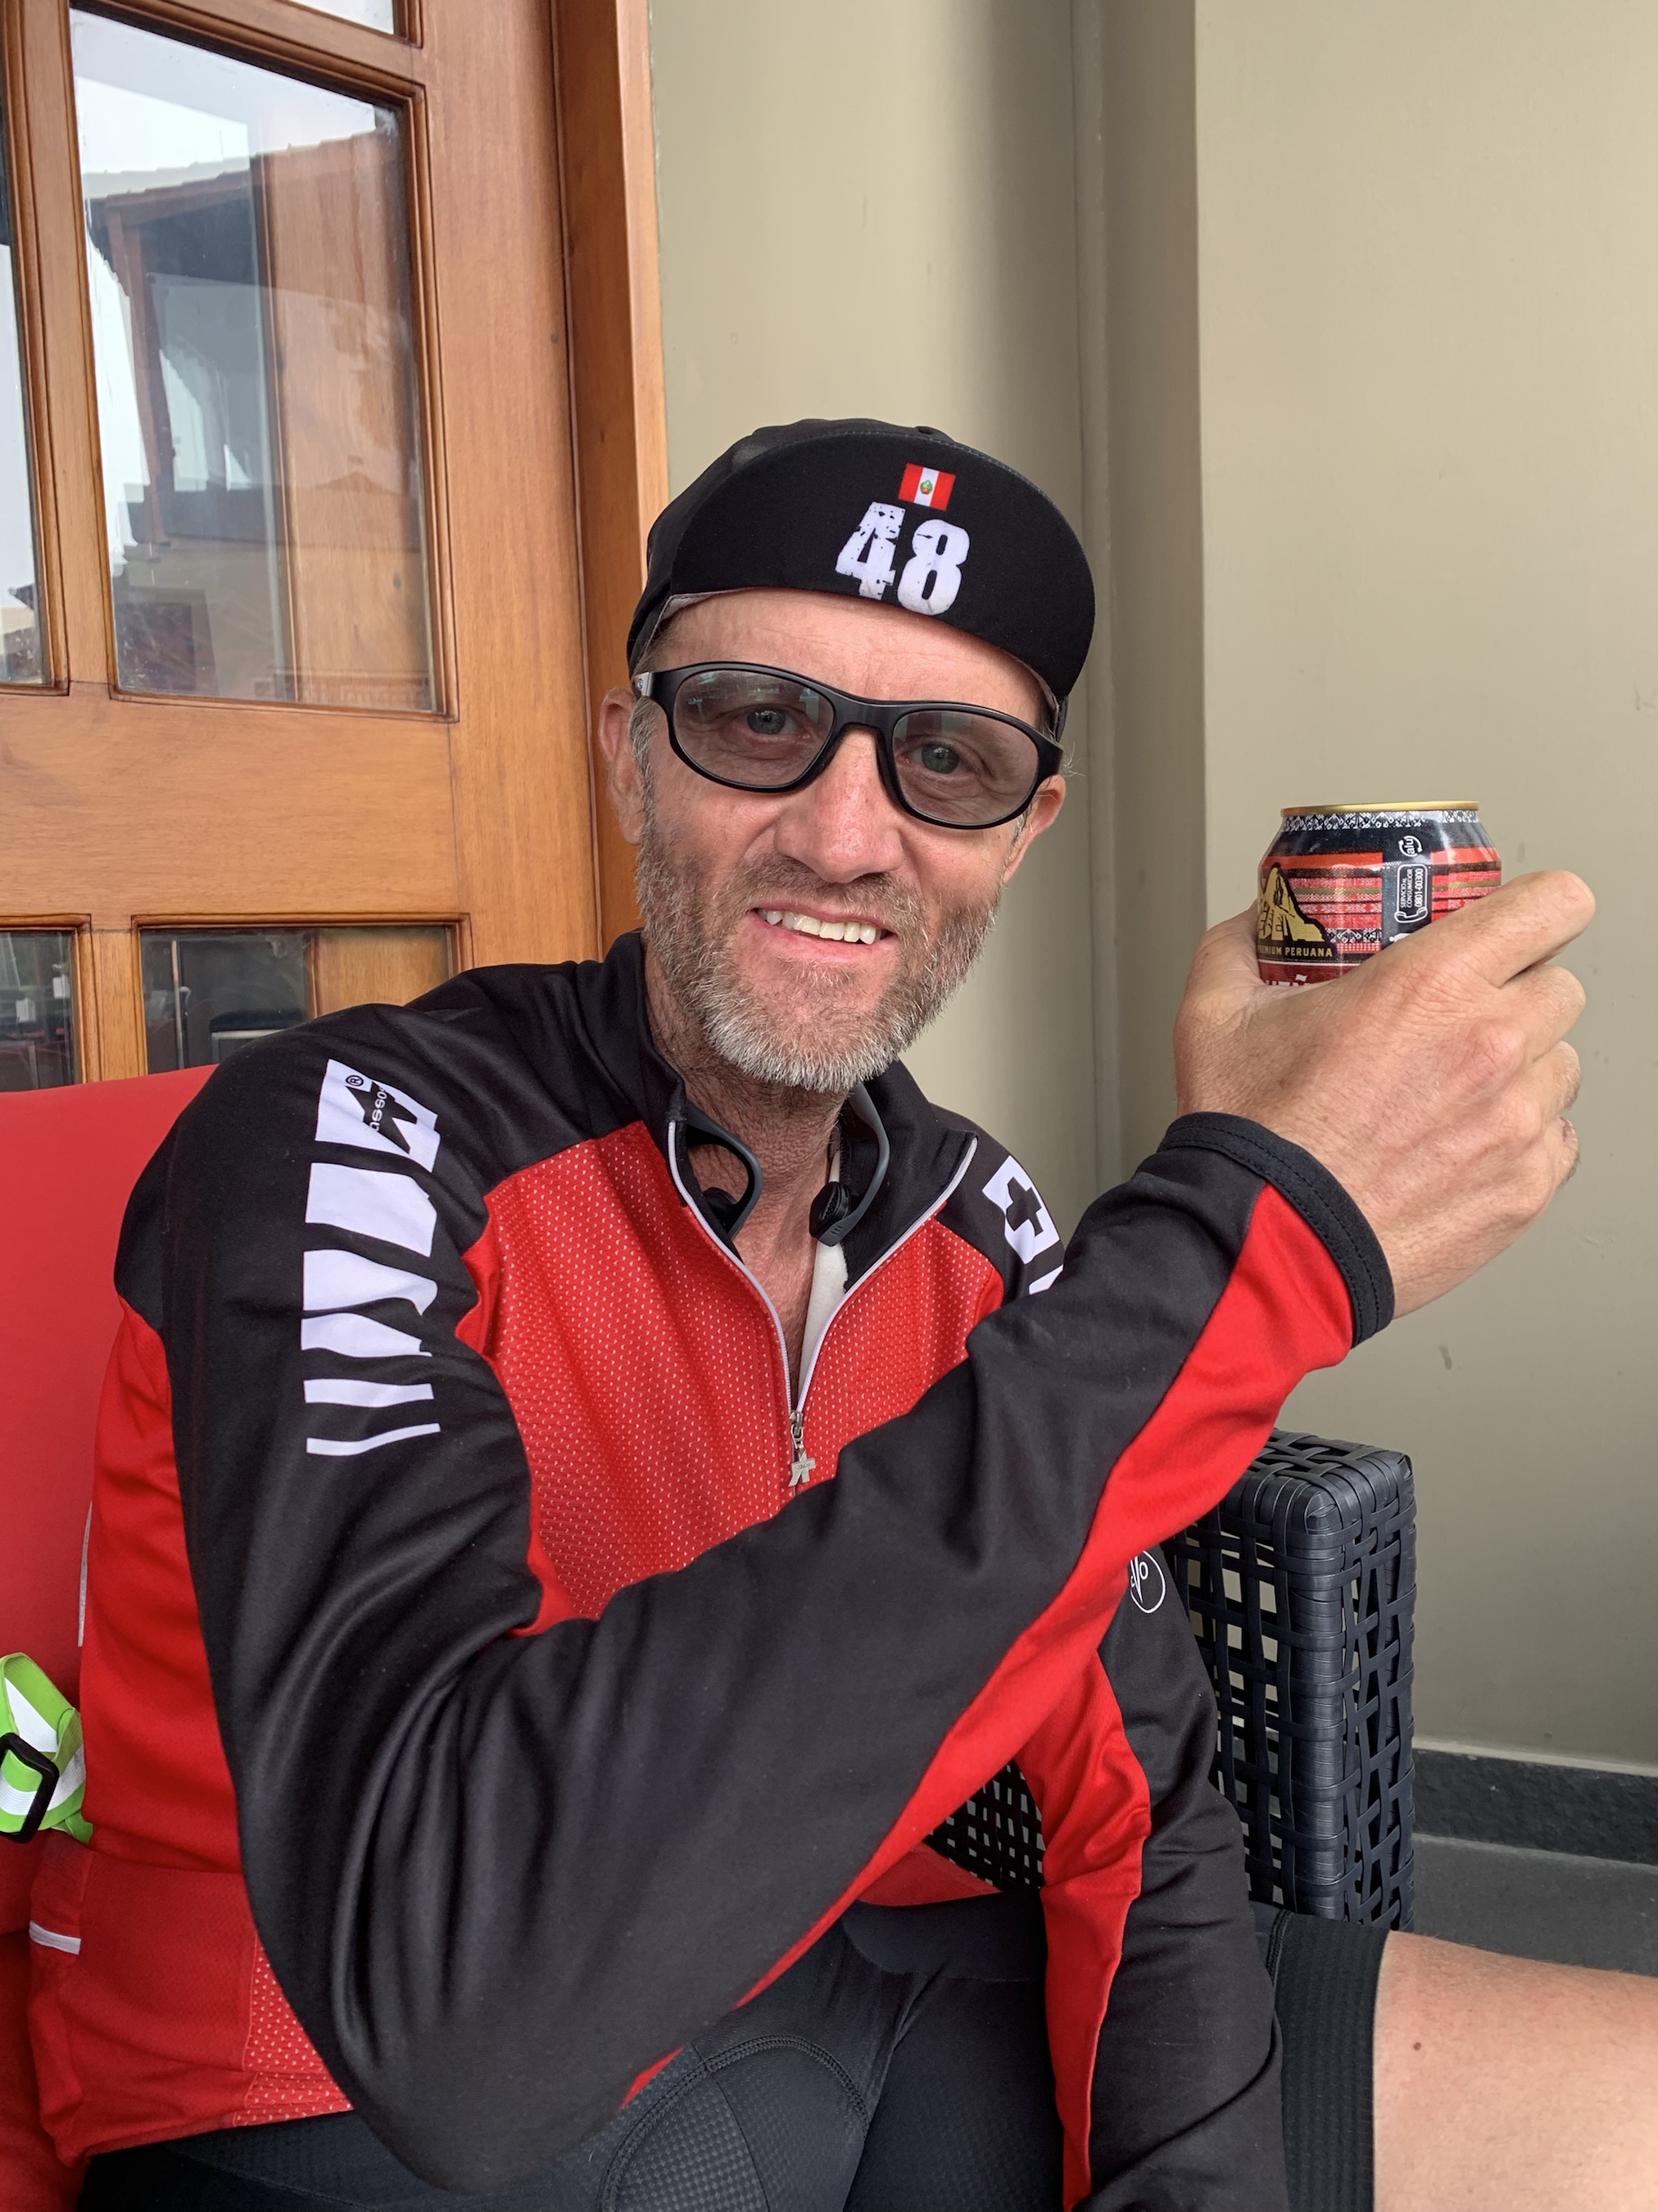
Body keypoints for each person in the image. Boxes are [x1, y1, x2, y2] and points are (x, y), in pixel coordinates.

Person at [33, 419, 1647, 2212]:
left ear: (1021, 834)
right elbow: (453, 2008)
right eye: (755, 719)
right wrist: (1244, 1243)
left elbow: (1139, 1802)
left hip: (839, 1987)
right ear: (629, 754)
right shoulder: (350, 1134)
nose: (843, 833)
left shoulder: (980, 1223)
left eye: (948, 760)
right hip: (307, 2098)